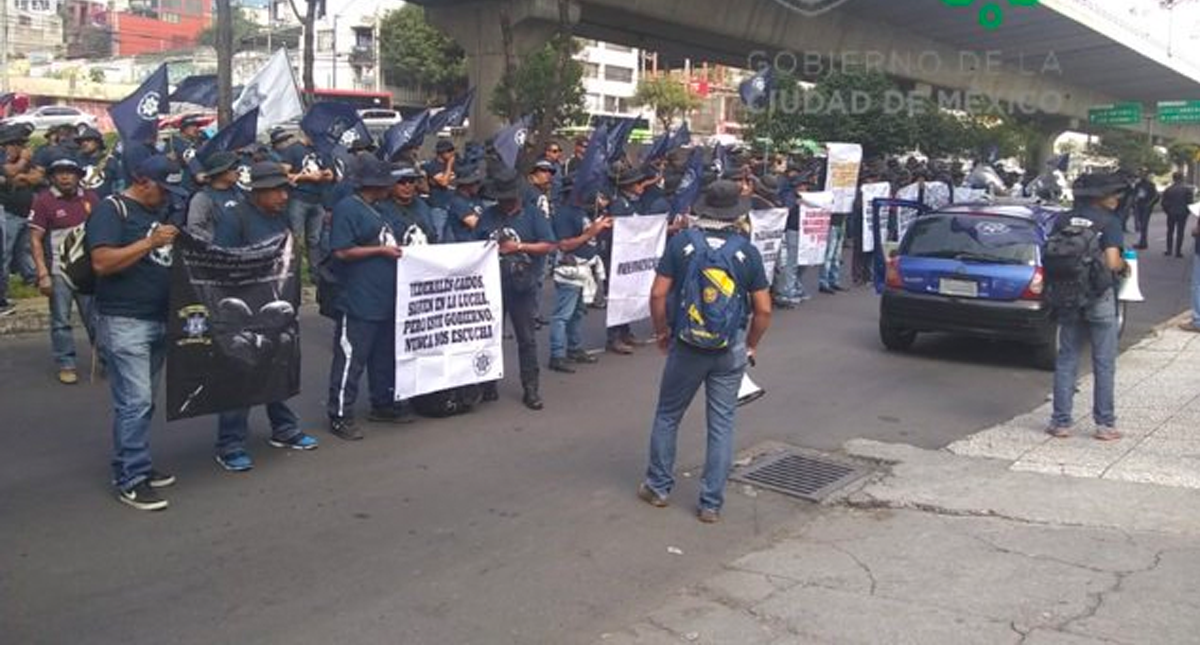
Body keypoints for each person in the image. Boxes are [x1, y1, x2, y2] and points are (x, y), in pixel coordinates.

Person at [638, 180, 773, 523]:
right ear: (735, 214)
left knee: (668, 415)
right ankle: (710, 502)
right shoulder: (747, 252)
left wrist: (661, 333)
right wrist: (751, 344)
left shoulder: (682, 243)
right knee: (722, 424)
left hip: (687, 343)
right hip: (730, 349)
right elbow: (764, 310)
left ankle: (658, 487)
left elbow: (657, 295)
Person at [195, 162, 320, 471]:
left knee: (277, 366)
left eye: (285, 190)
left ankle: (284, 428)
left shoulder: (279, 218)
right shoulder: (235, 218)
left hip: (275, 306)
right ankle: (230, 444)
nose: (283, 196)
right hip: (243, 308)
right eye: (277, 191)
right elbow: (223, 260)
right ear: (258, 192)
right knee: (241, 374)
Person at [87, 151, 187, 511]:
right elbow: (101, 262)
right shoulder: (111, 210)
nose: (166, 199)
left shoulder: (154, 212)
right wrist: (150, 242)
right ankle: (131, 478)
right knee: (135, 401)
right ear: (143, 182)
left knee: (142, 403)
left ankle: (135, 464)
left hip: (157, 316)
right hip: (124, 319)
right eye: (162, 190)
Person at [325, 157, 407, 441]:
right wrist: (380, 252)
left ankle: (382, 403)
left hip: (384, 296)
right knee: (351, 358)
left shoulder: (378, 209)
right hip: (359, 296)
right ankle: (340, 414)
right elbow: (341, 251)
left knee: (383, 356)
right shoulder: (348, 208)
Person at [1047, 173, 1129, 442]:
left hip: (1068, 295)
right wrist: (1125, 267)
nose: (1117, 198)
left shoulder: (1062, 219)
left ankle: (1061, 422)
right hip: (1099, 297)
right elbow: (1113, 262)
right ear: (1100, 196)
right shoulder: (1110, 222)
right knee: (1103, 362)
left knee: (1067, 357)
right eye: (1112, 194)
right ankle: (1105, 425)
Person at [474, 167, 557, 410]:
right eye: (501, 197)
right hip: (490, 286)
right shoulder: (488, 216)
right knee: (487, 337)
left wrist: (519, 248)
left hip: (522, 285)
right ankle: (487, 384)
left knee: (526, 339)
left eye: (508, 197)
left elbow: (548, 245)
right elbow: (473, 245)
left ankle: (530, 388)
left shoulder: (532, 215)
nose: (505, 202)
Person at [28, 159, 100, 385]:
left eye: (70, 173)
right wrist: (42, 273)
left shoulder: (90, 198)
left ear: (78, 176)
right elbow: (35, 239)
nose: (65, 177)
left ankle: (106, 360)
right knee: (61, 320)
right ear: (52, 177)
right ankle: (66, 364)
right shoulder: (43, 201)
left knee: (96, 319)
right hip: (59, 270)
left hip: (88, 271)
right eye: (60, 174)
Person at [549, 177, 610, 373]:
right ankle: (557, 355)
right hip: (571, 270)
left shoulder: (581, 211)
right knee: (563, 315)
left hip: (584, 269)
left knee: (577, 313)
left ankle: (574, 348)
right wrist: (591, 233)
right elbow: (565, 244)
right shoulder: (564, 214)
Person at [604, 165, 649, 354]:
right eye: (638, 183)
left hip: (630, 257)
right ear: (629, 185)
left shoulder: (635, 203)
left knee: (629, 293)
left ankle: (625, 331)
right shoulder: (618, 205)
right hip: (616, 257)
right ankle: (613, 337)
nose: (642, 186)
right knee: (617, 295)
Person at [0, 124, 42, 315]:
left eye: (22, 144)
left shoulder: (28, 161)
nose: (21, 148)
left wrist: (22, 174)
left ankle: (31, 281)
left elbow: (38, 177)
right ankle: (2, 297)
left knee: (23, 250)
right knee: (5, 254)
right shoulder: (5, 158)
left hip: (27, 212)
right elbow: (9, 174)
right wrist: (22, 163)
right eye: (17, 144)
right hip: (8, 213)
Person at [280, 134, 334, 276]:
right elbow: (282, 174)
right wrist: (307, 177)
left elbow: (331, 174)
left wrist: (326, 174)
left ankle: (315, 272)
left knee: (314, 239)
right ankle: (292, 271)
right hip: (298, 198)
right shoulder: (293, 150)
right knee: (295, 237)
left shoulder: (320, 150)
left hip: (318, 199)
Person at [183, 152, 243, 243]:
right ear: (220, 172)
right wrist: (216, 241)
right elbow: (194, 228)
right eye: (233, 168)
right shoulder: (202, 198)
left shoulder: (238, 193)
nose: (238, 172)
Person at [443, 164, 486, 243]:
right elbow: (475, 224)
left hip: (477, 242)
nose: (478, 185)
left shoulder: (475, 198)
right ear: (466, 185)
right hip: (463, 244)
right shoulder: (457, 202)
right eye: (475, 182)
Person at [74, 127, 119, 199]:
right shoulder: (77, 160)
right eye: (81, 141)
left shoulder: (110, 161)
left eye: (88, 140)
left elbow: (120, 184)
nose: (84, 143)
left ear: (98, 143)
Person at [1160, 172, 1195, 259]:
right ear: (1182, 178)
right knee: (1180, 232)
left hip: (1171, 213)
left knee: (1170, 231)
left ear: (1173, 178)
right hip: (1182, 213)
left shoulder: (1168, 189)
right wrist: (1187, 212)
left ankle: (1169, 250)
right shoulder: (1187, 190)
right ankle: (1178, 251)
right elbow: (1190, 202)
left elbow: (1163, 203)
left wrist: (1167, 211)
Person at [424, 139, 457, 210]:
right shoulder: (432, 165)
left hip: (452, 204)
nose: (452, 153)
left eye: (452, 150)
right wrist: (449, 165)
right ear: (441, 152)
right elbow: (444, 182)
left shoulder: (454, 165)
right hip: (439, 205)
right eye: (449, 151)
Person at [1132, 168, 1159, 250]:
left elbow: (1156, 196)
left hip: (1146, 206)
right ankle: (1141, 242)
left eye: (1143, 174)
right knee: (1139, 224)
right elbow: (1134, 194)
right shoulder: (1138, 185)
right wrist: (1135, 201)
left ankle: (1143, 242)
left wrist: (1150, 204)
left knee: (1144, 224)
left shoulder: (1151, 185)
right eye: (1141, 174)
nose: (1142, 176)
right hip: (1139, 206)